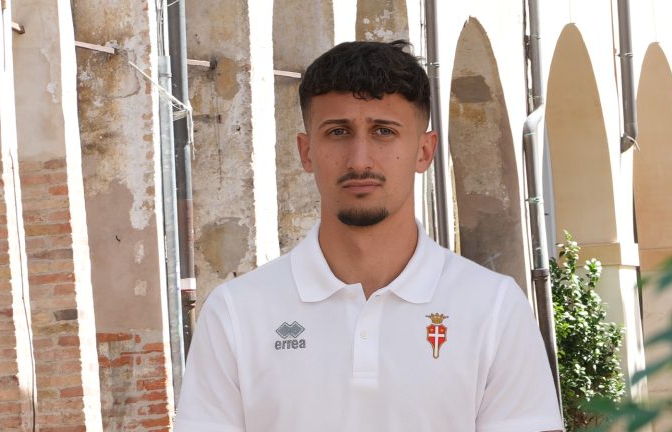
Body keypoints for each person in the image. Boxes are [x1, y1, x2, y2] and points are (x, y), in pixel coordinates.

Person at [175, 40, 563, 432]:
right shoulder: (236, 313)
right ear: (306, 152)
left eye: (384, 131)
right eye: (338, 131)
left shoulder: (494, 308)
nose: (359, 160)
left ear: (424, 151)